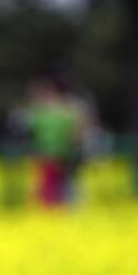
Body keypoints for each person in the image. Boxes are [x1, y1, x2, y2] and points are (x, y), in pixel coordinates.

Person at [25, 78, 83, 206]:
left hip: (57, 156)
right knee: (53, 186)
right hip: (55, 156)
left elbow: (76, 134)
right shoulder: (67, 112)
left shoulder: (43, 113)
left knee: (52, 187)